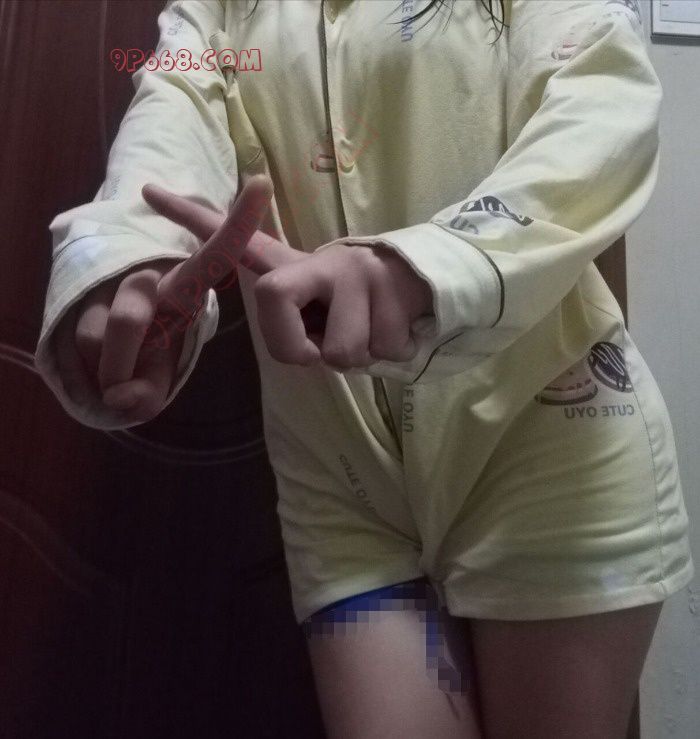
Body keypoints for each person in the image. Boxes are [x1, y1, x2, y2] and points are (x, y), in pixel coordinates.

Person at [35, 0, 694, 736]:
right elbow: (174, 106)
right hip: (341, 480)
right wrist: (129, 261)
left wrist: (421, 268)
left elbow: (601, 97)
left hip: (551, 443)